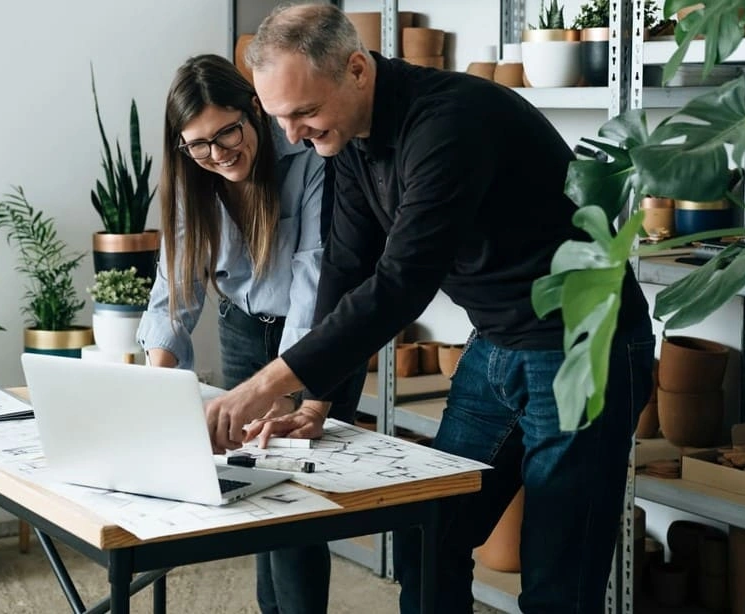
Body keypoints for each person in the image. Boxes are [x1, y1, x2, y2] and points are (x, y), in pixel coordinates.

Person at [204, 5, 655, 614]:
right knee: (428, 538)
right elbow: (346, 265)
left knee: (558, 580)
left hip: (585, 349)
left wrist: (264, 385)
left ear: (357, 69)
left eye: (305, 112)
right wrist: (314, 403)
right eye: (280, 117)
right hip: (496, 344)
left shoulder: (450, 122)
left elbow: (400, 283)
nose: (292, 136)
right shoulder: (349, 138)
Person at [136, 53, 364, 614]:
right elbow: (177, 283)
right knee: (252, 489)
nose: (218, 154)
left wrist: (287, 384)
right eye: (198, 144)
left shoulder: (309, 160)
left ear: (253, 109)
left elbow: (316, 277)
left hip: (316, 334)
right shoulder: (194, 175)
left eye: (227, 132)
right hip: (242, 328)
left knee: (295, 502)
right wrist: (153, 388)